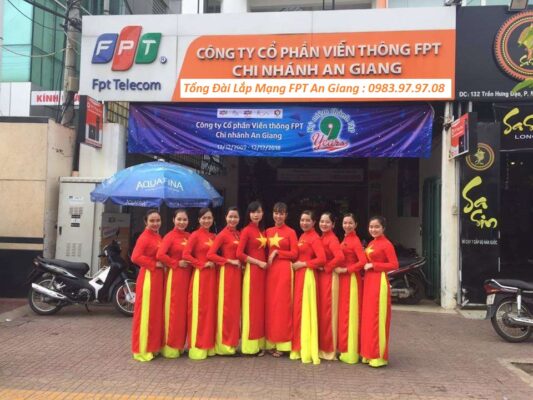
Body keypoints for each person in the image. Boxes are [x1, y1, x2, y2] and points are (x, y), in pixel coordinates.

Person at [360, 216, 399, 368]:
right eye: (371, 227)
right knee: (368, 318)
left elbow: (394, 264)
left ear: (383, 228)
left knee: (377, 317)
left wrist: (373, 265)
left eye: (377, 227)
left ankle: (377, 356)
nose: (373, 229)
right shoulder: (372, 243)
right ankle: (368, 353)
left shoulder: (387, 244)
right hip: (369, 281)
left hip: (379, 282)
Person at [290, 210, 326, 365]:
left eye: (307, 220)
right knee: (299, 311)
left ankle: (307, 348)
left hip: (307, 276)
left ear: (313, 222)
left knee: (305, 311)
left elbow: (322, 259)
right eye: (302, 220)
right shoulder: (303, 236)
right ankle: (299, 346)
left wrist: (303, 264)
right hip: (300, 275)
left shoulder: (314, 238)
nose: (304, 223)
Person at [183, 208, 217, 360]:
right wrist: (201, 264)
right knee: (199, 311)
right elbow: (186, 255)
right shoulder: (195, 235)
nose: (207, 220)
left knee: (210, 311)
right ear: (199, 220)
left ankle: (209, 345)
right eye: (204, 218)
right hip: (200, 277)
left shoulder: (214, 236)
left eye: (209, 218)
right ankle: (197, 347)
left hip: (213, 278)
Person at [156, 209, 191, 358]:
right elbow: (160, 255)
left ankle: (180, 345)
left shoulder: (190, 236)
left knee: (185, 313)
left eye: (184, 219)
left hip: (189, 277)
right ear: (173, 220)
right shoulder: (169, 236)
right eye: (179, 219)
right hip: (176, 277)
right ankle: (171, 347)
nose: (182, 222)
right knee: (175, 311)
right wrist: (176, 263)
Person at [207, 207, 242, 355]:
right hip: (227, 274)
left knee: (235, 310)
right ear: (226, 218)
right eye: (230, 217)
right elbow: (210, 254)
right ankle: (224, 345)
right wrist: (229, 261)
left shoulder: (238, 234)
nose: (233, 220)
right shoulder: (222, 234)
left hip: (238, 274)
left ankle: (232, 343)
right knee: (226, 308)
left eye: (235, 217)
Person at [131, 209, 165, 362]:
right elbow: (135, 257)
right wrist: (154, 264)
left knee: (155, 314)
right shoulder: (144, 237)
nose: (155, 223)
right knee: (145, 314)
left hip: (157, 279)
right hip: (148, 279)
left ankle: (153, 347)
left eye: (158, 220)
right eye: (152, 221)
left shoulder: (157, 236)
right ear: (145, 222)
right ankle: (142, 349)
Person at [265, 202, 298, 357]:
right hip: (270, 272)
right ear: (273, 214)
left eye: (281, 213)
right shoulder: (267, 231)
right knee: (271, 306)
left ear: (286, 215)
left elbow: (295, 254)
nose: (278, 216)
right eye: (276, 213)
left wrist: (278, 252)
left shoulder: (291, 232)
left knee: (282, 306)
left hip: (284, 271)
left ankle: (283, 343)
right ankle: (271, 342)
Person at [236, 201, 268, 356]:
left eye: (259, 212)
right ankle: (249, 347)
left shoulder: (262, 231)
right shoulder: (246, 231)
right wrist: (258, 263)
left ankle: (260, 343)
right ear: (248, 214)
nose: (256, 214)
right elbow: (239, 254)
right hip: (253, 272)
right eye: (253, 212)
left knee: (260, 308)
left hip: (263, 273)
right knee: (251, 307)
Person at [337, 213, 366, 364]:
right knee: (344, 314)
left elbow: (362, 262)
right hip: (344, 280)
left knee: (351, 314)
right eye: (345, 223)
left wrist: (346, 270)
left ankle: (351, 353)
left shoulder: (355, 241)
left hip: (351, 280)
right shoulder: (346, 239)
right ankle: (345, 349)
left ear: (356, 225)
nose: (347, 225)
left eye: (350, 223)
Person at [317, 212, 345, 360]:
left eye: (327, 222)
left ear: (333, 224)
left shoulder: (332, 239)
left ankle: (329, 350)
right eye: (322, 221)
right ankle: (321, 346)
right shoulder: (321, 238)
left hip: (329, 278)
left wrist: (326, 267)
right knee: (322, 313)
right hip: (321, 278)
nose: (324, 224)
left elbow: (340, 257)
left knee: (328, 314)